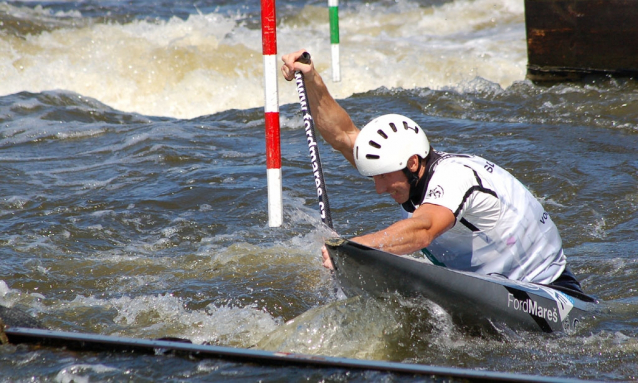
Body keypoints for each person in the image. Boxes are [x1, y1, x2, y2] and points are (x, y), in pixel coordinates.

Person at [281, 49, 583, 293]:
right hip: (486, 281)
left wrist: (351, 249)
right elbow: (343, 135)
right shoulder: (397, 167)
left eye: (384, 176)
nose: (378, 188)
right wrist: (311, 77)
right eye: (374, 177)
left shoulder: (454, 176)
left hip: (547, 288)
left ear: (413, 163)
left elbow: (423, 231)